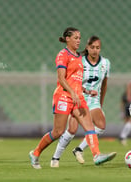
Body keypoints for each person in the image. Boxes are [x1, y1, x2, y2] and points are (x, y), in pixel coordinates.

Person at [29, 28, 116, 169]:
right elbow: (62, 79)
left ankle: (97, 155)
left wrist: (87, 91)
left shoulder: (78, 57)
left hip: (78, 98)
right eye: (75, 38)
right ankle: (36, 152)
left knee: (90, 127)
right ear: (67, 39)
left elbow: (75, 81)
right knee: (58, 132)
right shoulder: (63, 55)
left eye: (79, 38)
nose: (78, 41)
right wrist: (72, 93)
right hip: (63, 96)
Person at [50, 35, 111, 167]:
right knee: (72, 129)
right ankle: (55, 157)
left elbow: (104, 84)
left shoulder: (105, 63)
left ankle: (80, 149)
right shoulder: (79, 61)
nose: (95, 50)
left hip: (93, 100)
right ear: (87, 48)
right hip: (78, 97)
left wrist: (100, 102)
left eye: (98, 48)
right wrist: (84, 91)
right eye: (92, 47)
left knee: (101, 125)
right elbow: (71, 80)